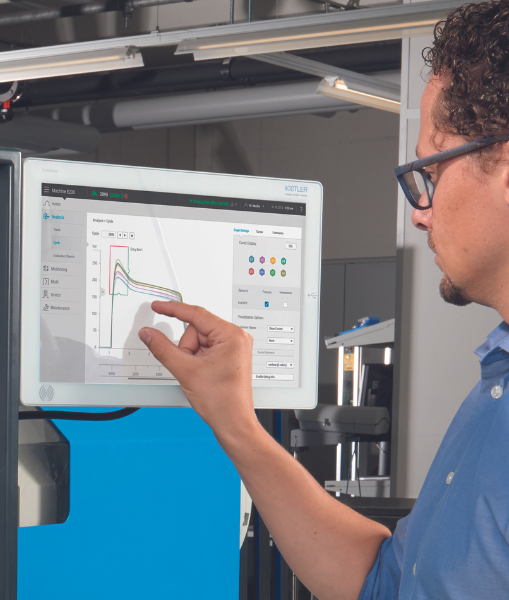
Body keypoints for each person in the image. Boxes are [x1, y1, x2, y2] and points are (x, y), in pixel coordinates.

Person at [136, 2, 509, 599]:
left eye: (431, 173)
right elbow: (382, 583)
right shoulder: (495, 386)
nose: (420, 212)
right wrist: (235, 421)